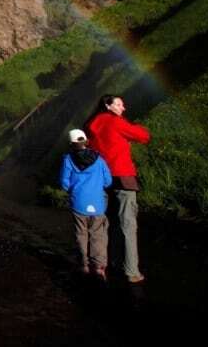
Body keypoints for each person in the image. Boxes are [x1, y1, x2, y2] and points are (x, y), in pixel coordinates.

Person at [84, 94, 151, 284]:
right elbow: (143, 136)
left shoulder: (91, 125)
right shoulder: (115, 122)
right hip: (122, 176)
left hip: (100, 178)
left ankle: (101, 265)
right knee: (127, 224)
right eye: (119, 104)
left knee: (102, 224)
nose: (124, 108)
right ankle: (131, 271)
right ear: (108, 106)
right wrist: (136, 128)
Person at [59, 128, 112, 280]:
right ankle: (99, 267)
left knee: (81, 233)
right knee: (98, 234)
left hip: (78, 202)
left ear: (71, 143)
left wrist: (73, 189)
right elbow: (108, 181)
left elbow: (64, 182)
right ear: (86, 141)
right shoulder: (99, 159)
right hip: (97, 203)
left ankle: (84, 264)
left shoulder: (68, 160)